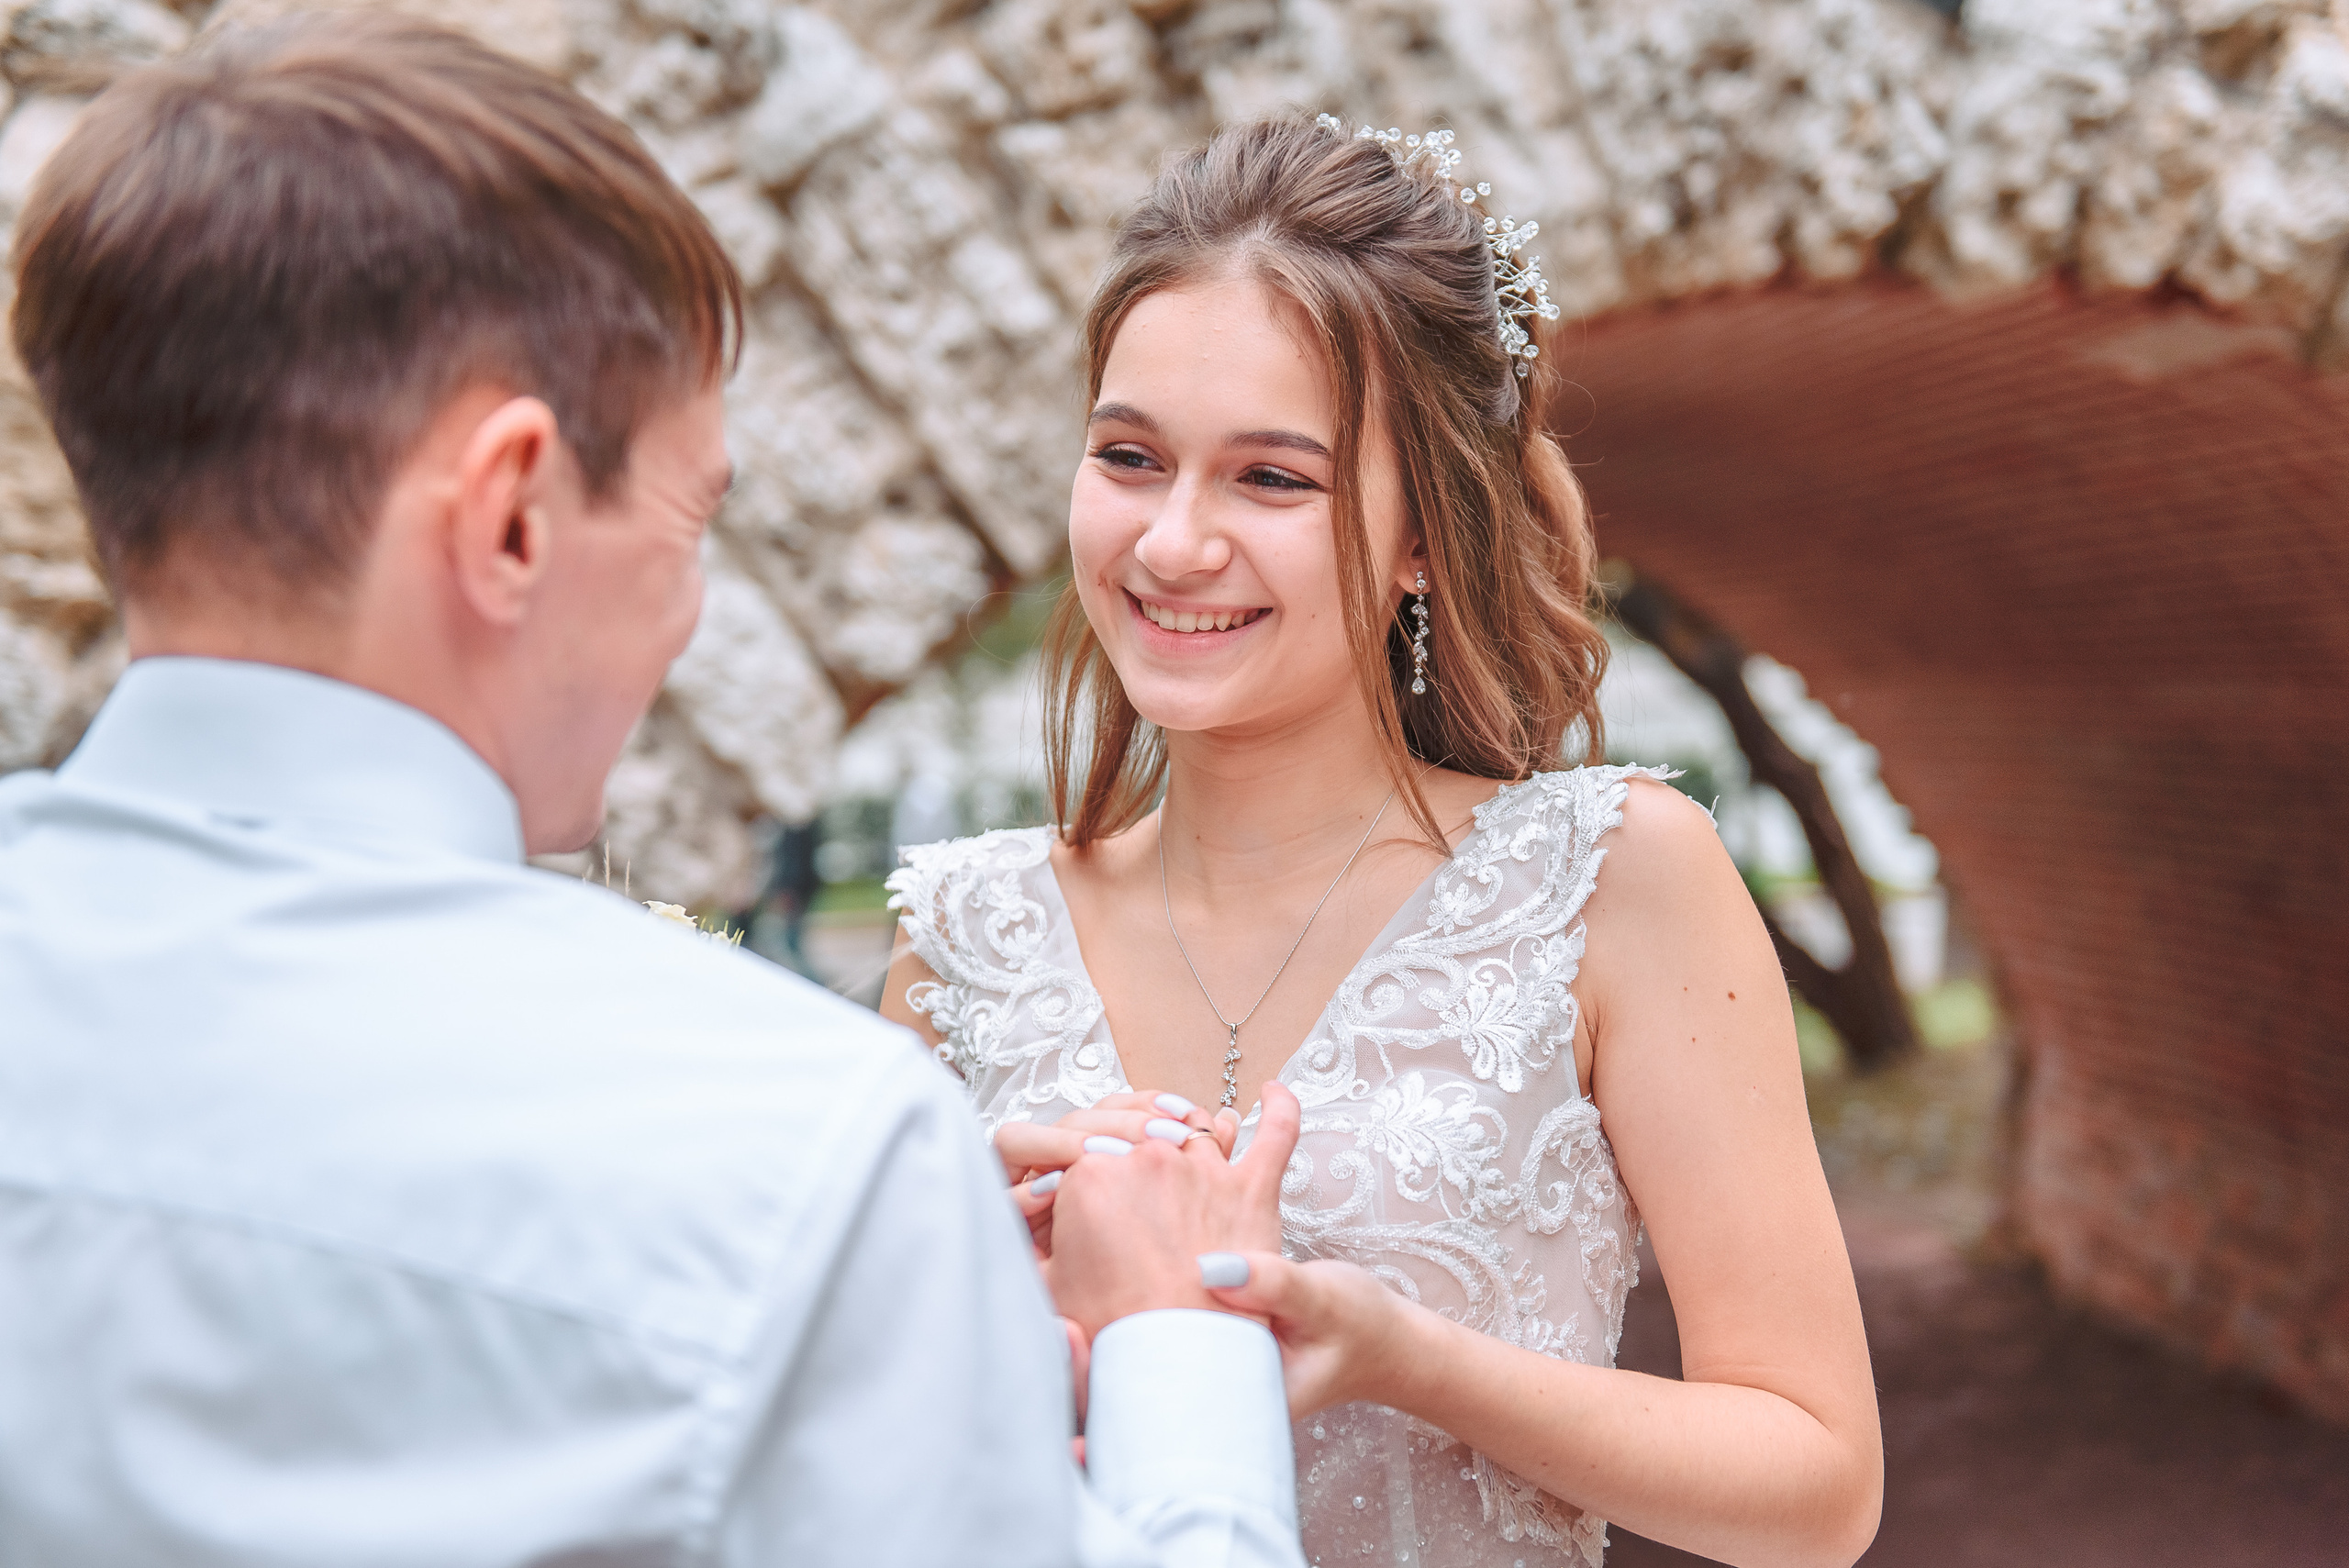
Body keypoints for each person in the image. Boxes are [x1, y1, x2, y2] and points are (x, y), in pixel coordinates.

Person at [0, 17, 1310, 1567]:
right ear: (508, 519)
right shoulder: (797, 1150)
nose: (692, 612)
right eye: (692, 518)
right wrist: (1177, 1333)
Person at [883, 114, 1884, 1568]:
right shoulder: (960, 934)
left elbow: (1817, 1483)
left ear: (1425, 529)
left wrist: (1408, 1357)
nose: (1171, 542)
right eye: (1130, 455)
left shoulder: (1613, 881)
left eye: (1270, 479)